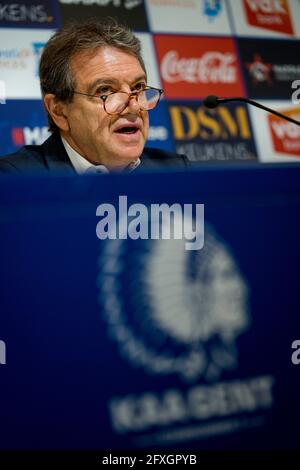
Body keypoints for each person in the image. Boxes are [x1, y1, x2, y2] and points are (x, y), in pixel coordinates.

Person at [0, 19, 188, 175]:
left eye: (138, 87)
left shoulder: (176, 172)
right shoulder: (15, 181)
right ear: (59, 111)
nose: (134, 106)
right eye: (105, 91)